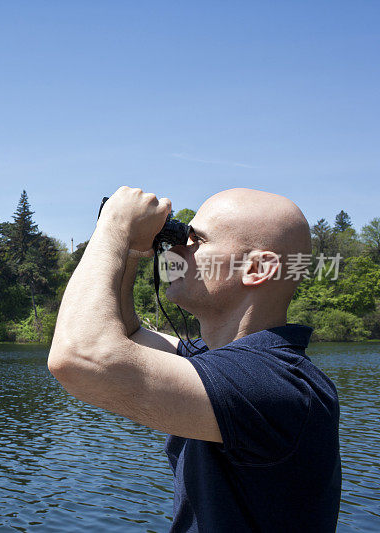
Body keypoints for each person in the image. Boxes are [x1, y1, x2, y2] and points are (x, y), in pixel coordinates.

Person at [48, 186, 341, 532]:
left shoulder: (279, 384)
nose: (175, 249)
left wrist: (114, 224)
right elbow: (125, 336)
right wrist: (132, 246)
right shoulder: (217, 361)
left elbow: (80, 357)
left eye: (196, 241)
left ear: (257, 268)